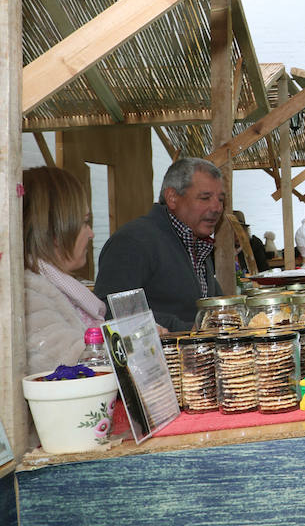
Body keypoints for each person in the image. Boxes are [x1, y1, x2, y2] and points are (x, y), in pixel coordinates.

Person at [94, 157, 224, 333]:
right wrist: (184, 329)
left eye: (221, 199)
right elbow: (112, 311)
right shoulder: (133, 241)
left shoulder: (196, 243)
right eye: (205, 198)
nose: (217, 208)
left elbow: (210, 305)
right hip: (158, 357)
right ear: (172, 197)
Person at [21, 165, 104, 374]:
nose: (91, 233)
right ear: (55, 232)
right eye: (85, 222)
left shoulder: (58, 286)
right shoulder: (27, 296)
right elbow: (68, 362)